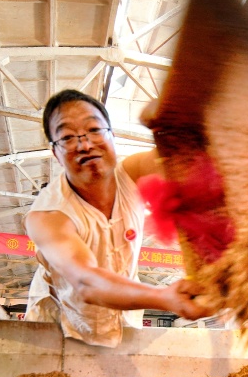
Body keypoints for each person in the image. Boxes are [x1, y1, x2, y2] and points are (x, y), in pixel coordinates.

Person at [25, 89, 212, 346]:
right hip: (63, 325)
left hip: (123, 316)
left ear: (112, 136)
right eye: (67, 137)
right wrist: (164, 297)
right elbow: (87, 282)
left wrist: (176, 128)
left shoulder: (133, 173)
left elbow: (183, 162)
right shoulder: (48, 215)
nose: (85, 145)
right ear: (56, 153)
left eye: (94, 130)